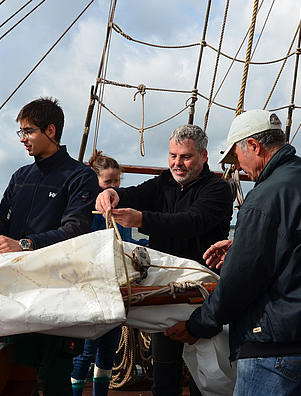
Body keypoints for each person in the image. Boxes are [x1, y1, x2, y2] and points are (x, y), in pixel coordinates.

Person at [164, 109, 301, 396]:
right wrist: (243, 244)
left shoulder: (265, 197)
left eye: (236, 157)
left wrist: (197, 326)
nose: (238, 167)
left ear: (253, 146)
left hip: (276, 345)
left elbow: (238, 283)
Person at [0, 97, 99, 396]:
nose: (22, 139)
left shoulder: (80, 177)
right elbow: (1, 219)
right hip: (15, 292)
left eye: (28, 131)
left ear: (50, 130)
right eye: (21, 132)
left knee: (55, 379)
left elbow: (75, 229)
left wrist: (25, 244)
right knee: (17, 375)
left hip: (59, 292)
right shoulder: (20, 176)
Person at [95, 124, 233, 396]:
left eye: (185, 157)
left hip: (202, 296)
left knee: (205, 380)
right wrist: (113, 194)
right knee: (164, 376)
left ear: (204, 156)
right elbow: (135, 194)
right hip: (164, 294)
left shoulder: (218, 190)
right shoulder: (162, 184)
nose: (177, 164)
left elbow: (193, 222)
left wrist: (142, 219)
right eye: (172, 156)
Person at [71, 151, 147, 396]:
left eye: (117, 182)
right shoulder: (88, 215)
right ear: (96, 184)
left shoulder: (121, 214)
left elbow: (128, 246)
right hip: (93, 290)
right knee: (86, 350)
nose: (113, 188)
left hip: (117, 289)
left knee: (108, 349)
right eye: (108, 183)